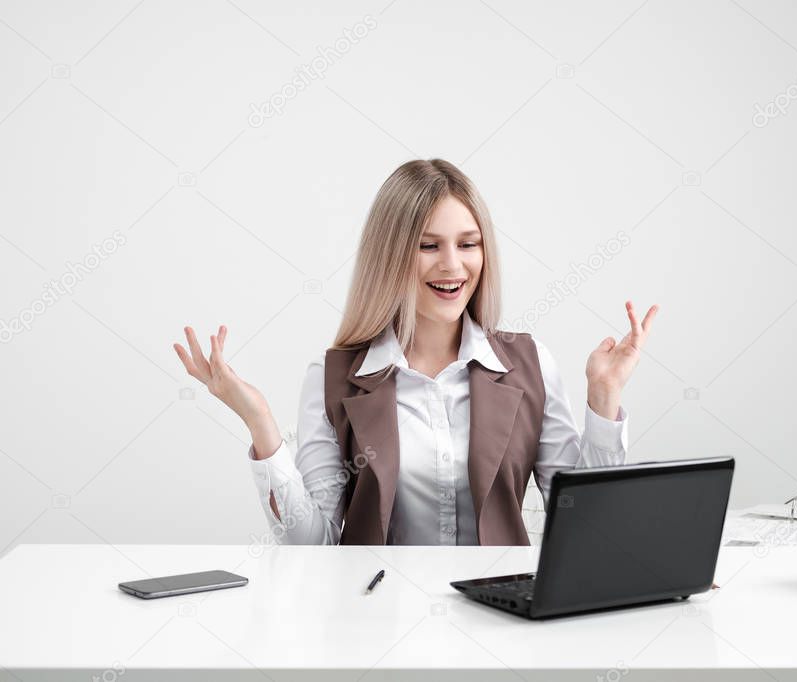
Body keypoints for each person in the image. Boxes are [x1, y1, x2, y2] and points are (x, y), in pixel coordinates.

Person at [173, 159, 658, 545]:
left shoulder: (528, 365)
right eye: (428, 245)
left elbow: (587, 525)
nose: (453, 266)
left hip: (502, 623)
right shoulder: (335, 376)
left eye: (468, 244)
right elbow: (313, 545)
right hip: (374, 621)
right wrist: (261, 427)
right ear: (390, 254)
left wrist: (605, 395)